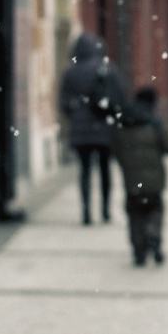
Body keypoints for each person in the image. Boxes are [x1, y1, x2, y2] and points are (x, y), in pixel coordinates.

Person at [110, 87, 168, 266]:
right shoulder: (155, 123)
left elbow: (115, 149)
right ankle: (154, 235)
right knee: (155, 210)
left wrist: (126, 163)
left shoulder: (122, 122)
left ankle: (139, 250)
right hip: (154, 181)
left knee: (135, 215)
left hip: (131, 181)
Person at [59, 33, 129, 225]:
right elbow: (122, 97)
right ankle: (105, 210)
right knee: (106, 170)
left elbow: (63, 103)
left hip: (80, 130)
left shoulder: (71, 72)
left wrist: (76, 114)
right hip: (104, 128)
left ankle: (86, 212)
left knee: (85, 170)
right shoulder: (107, 68)